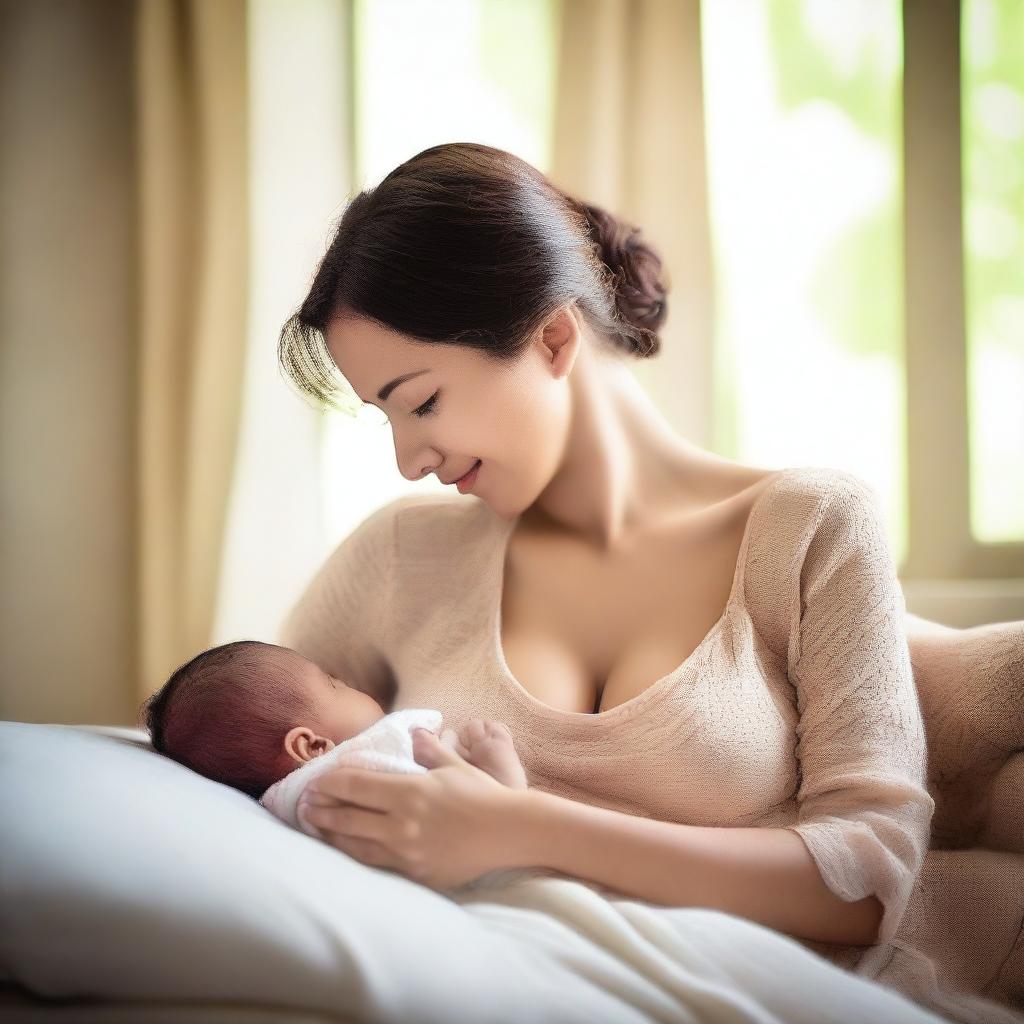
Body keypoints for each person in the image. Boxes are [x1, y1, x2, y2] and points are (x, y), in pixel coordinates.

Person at [272, 142, 1023, 1024]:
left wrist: (520, 828)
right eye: (386, 417)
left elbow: (865, 878)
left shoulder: (809, 526)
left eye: (422, 401)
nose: (408, 459)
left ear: (554, 338)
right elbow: (238, 734)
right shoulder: (401, 557)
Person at [139, 639, 530, 799]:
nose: (349, 683)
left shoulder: (296, 801)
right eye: (335, 684)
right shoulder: (366, 767)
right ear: (311, 746)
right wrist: (499, 775)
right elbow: (467, 808)